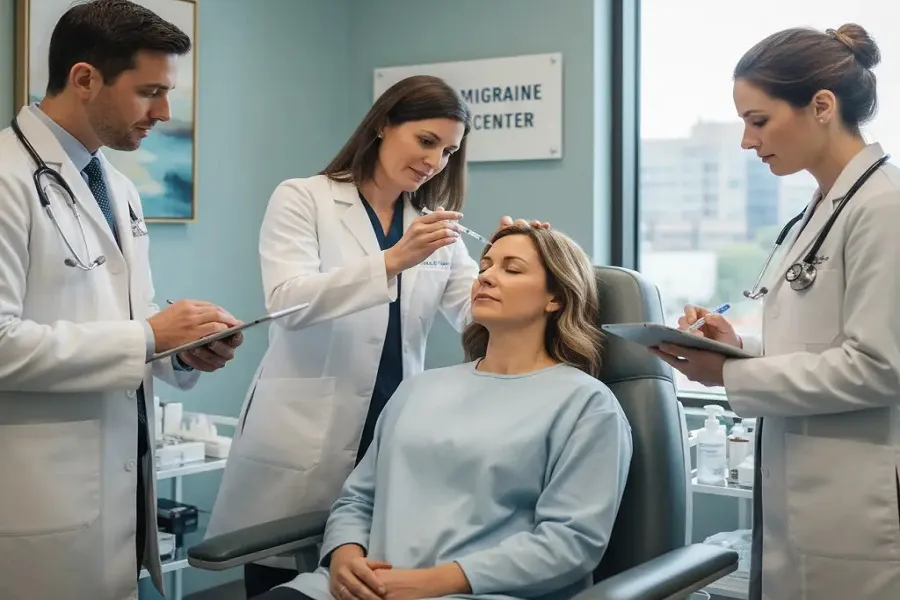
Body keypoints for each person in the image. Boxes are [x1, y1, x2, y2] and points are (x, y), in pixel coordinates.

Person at [205, 74, 549, 596]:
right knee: (284, 582)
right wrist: (393, 260)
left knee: (369, 579)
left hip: (391, 428)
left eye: (449, 151)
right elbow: (288, 302)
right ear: (385, 124)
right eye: (426, 141)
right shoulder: (304, 198)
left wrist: (520, 262)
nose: (435, 162)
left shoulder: (432, 223)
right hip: (301, 436)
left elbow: (474, 317)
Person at [0, 1, 244, 599]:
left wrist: (183, 351)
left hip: (117, 493)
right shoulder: (5, 178)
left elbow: (131, 319)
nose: (164, 112)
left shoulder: (119, 187)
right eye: (150, 92)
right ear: (85, 79)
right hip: (35, 499)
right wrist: (151, 337)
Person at [250, 223, 632, 600]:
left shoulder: (586, 405)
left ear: (556, 299)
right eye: (484, 267)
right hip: (359, 588)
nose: (486, 278)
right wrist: (345, 556)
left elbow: (569, 543)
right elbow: (358, 499)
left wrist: (433, 583)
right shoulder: (421, 388)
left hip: (476, 593)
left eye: (511, 269)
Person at [651, 23, 900, 600]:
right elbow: (824, 343)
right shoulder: (826, 206)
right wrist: (736, 346)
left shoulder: (884, 208)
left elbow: (880, 366)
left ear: (821, 106)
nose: (746, 141)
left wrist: (730, 374)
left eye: (757, 121)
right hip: (811, 498)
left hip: (861, 509)